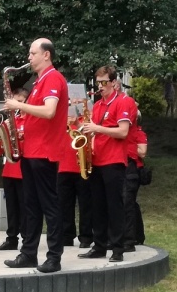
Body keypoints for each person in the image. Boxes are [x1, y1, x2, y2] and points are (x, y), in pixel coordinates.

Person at [2, 38, 69, 274]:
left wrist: (18, 106)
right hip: (32, 151)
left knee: (49, 206)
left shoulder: (53, 78)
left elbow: (49, 111)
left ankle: (54, 257)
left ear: (46, 55)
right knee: (30, 205)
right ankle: (28, 253)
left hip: (45, 152)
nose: (29, 58)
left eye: (32, 53)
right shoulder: (40, 80)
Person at [79, 68, 137, 262]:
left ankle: (118, 249)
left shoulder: (124, 101)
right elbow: (94, 133)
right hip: (96, 160)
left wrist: (96, 128)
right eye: (98, 83)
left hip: (114, 161)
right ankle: (99, 246)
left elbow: (122, 132)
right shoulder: (97, 105)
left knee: (115, 206)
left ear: (113, 82)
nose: (100, 87)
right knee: (97, 206)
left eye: (104, 82)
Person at [0, 88, 28, 251]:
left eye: (20, 102)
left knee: (24, 206)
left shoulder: (30, 120)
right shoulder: (10, 121)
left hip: (23, 169)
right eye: (15, 102)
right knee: (11, 207)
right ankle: (11, 238)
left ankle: (27, 238)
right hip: (9, 168)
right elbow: (2, 146)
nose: (17, 106)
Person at [57, 99, 93, 249]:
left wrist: (77, 124)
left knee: (85, 204)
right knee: (64, 205)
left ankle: (86, 236)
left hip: (81, 166)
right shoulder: (59, 119)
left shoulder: (85, 119)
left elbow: (90, 137)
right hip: (62, 166)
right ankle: (66, 235)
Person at [124, 108, 148, 248]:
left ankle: (134, 236)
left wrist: (127, 145)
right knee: (131, 203)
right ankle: (137, 235)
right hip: (125, 168)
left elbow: (142, 152)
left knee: (129, 203)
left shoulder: (139, 134)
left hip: (135, 170)